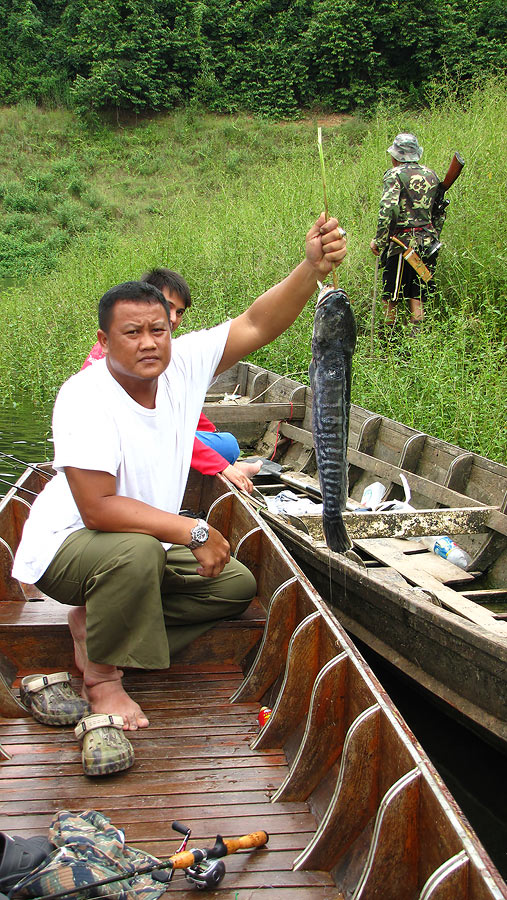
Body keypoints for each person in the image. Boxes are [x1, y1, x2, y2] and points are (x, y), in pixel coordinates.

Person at [12, 214, 347, 730]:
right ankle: (103, 679)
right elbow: (98, 509)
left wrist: (310, 267)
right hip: (69, 548)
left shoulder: (181, 365)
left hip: (134, 549)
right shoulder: (84, 396)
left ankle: (95, 629)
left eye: (159, 330)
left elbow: (256, 323)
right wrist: (192, 529)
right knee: (138, 548)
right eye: (132, 333)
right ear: (103, 340)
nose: (149, 343)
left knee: (232, 586)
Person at [82, 267, 262, 494]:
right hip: (128, 451)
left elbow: (179, 408)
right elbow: (163, 432)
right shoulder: (122, 362)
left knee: (223, 442)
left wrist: (213, 436)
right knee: (228, 445)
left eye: (180, 312)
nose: (174, 319)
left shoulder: (148, 351)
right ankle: (232, 463)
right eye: (168, 307)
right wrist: (220, 464)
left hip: (146, 445)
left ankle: (233, 463)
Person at [370, 132, 447, 336]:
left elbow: (388, 209)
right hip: (428, 243)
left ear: (396, 155)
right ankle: (416, 346)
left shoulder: (394, 175)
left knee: (390, 297)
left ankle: (389, 349)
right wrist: (433, 237)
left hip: (401, 244)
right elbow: (439, 213)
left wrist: (379, 241)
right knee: (418, 295)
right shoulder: (432, 175)